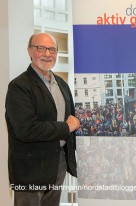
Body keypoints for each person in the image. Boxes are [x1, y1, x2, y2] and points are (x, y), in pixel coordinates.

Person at [5, 33, 80, 206]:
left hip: (58, 162)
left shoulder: (62, 84)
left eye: (52, 49)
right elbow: (26, 130)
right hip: (31, 168)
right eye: (41, 48)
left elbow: (72, 120)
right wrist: (65, 127)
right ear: (29, 51)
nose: (47, 54)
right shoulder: (19, 86)